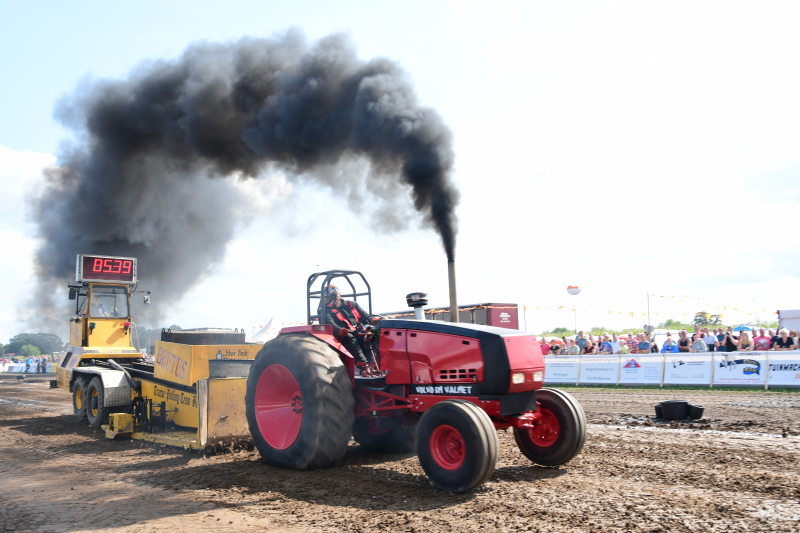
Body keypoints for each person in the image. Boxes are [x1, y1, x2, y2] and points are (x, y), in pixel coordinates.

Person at [323, 285, 382, 366]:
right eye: (325, 298)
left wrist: (372, 320)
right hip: (342, 336)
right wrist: (339, 330)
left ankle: (373, 364)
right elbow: (330, 323)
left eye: (327, 298)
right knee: (350, 337)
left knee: (372, 333)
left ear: (336, 296)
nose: (325, 300)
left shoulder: (352, 304)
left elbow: (365, 317)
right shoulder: (325, 311)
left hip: (357, 331)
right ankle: (363, 364)